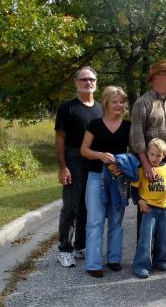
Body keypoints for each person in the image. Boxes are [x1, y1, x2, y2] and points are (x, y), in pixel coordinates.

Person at [129, 59, 166, 265]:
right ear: (155, 78)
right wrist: (145, 164)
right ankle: (144, 254)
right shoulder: (142, 103)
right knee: (147, 207)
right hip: (151, 163)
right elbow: (136, 137)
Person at [79, 86, 130, 277]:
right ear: (106, 103)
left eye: (122, 102)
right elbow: (84, 150)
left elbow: (133, 153)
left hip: (119, 178)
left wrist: (124, 164)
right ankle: (93, 264)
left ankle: (114, 259)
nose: (119, 105)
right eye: (115, 101)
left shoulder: (128, 126)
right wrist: (100, 155)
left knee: (116, 220)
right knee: (95, 221)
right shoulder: (94, 125)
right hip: (96, 177)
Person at [54, 66, 102, 268]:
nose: (88, 82)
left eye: (91, 79)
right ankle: (64, 249)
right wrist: (62, 167)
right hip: (73, 158)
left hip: (93, 160)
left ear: (96, 83)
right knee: (71, 207)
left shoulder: (100, 108)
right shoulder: (67, 108)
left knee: (87, 207)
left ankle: (80, 246)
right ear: (76, 83)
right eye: (84, 79)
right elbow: (59, 139)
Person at [130, 138, 166, 279]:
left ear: (164, 155)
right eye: (152, 154)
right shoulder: (142, 169)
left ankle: (160, 261)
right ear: (147, 153)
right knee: (145, 239)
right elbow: (133, 189)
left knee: (163, 238)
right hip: (149, 209)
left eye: (158, 155)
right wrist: (139, 202)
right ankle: (141, 265)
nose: (155, 158)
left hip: (165, 210)